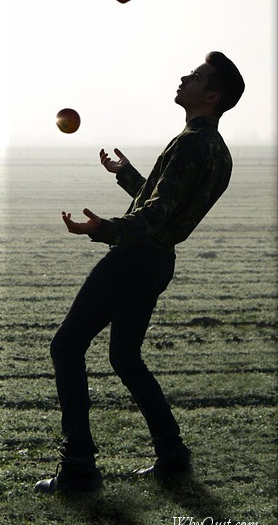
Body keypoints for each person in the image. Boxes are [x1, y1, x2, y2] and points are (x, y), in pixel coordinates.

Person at [35, 51, 245, 494]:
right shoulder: (217, 151)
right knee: (125, 358)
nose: (185, 76)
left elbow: (154, 216)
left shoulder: (190, 142)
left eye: (197, 76)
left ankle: (78, 468)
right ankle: (172, 455)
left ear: (212, 96)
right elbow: (166, 207)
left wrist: (102, 230)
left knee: (66, 346)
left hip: (135, 258)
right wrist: (127, 174)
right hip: (158, 262)